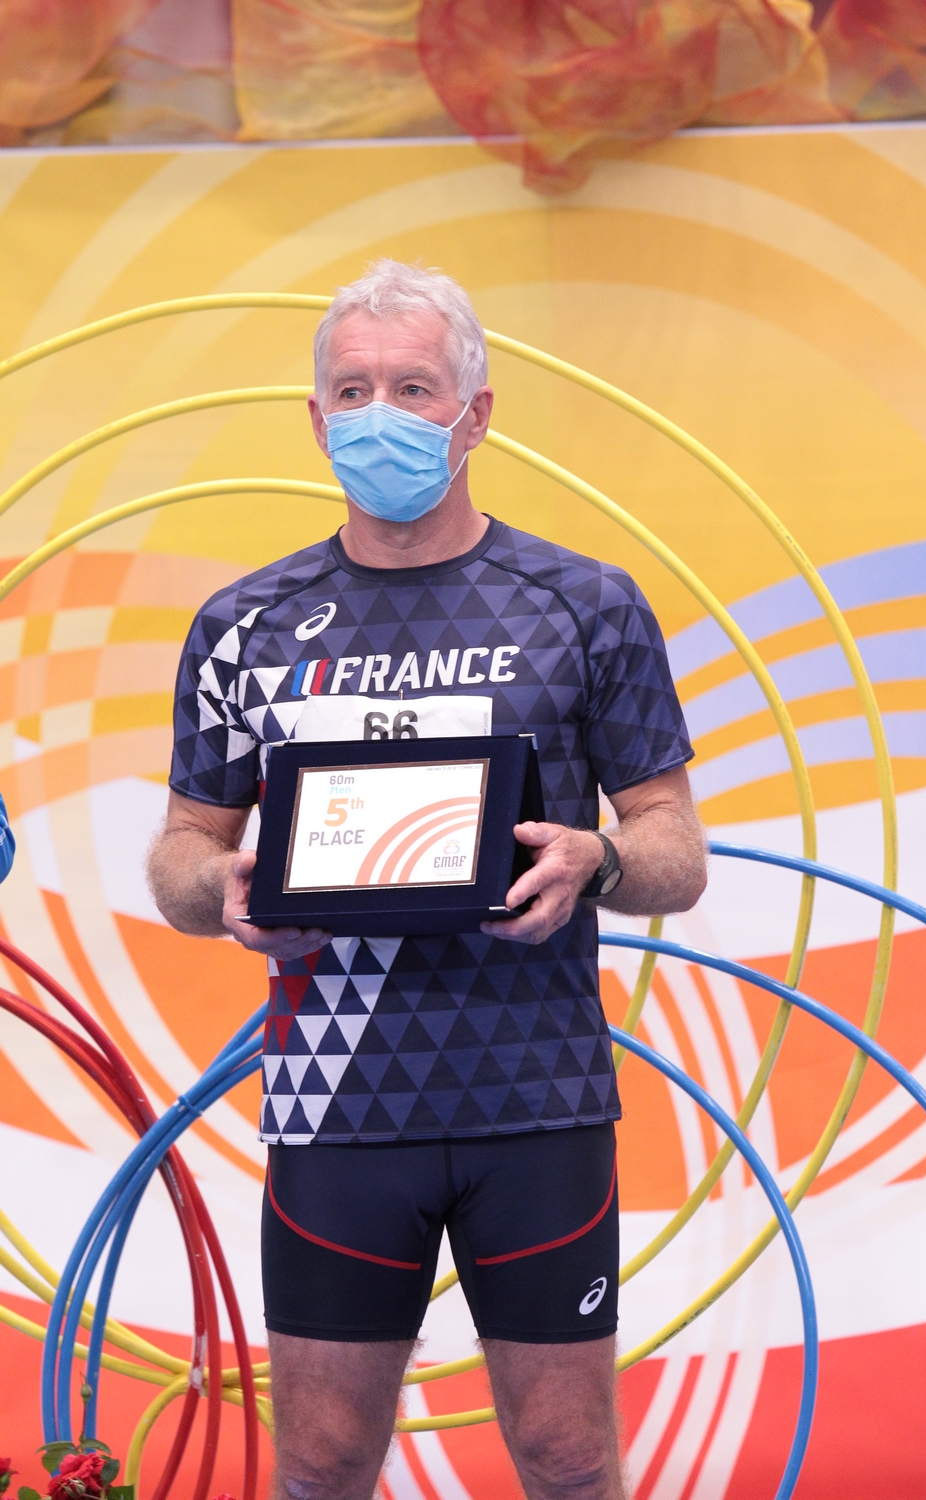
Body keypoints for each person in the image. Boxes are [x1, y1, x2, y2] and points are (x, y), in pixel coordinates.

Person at [147, 260, 707, 1500]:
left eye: (413, 387)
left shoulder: (586, 606)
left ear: (476, 413)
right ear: (316, 421)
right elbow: (182, 851)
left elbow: (674, 849)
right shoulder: (245, 624)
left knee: (567, 1455)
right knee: (320, 1459)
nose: (380, 415)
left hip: (537, 1094)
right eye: (353, 391)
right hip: (336, 1102)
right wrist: (222, 886)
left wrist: (601, 858)